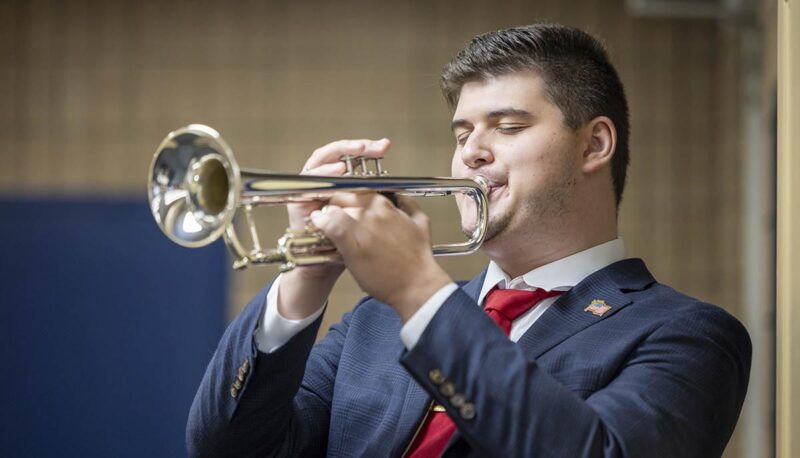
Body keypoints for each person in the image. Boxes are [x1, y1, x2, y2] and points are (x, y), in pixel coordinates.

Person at [186, 24, 751, 457]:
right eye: (462, 134)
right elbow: (224, 449)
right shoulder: (372, 325)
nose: (471, 152)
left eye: (508, 127)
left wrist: (417, 291)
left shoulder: (686, 335)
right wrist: (303, 280)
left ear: (594, 145)